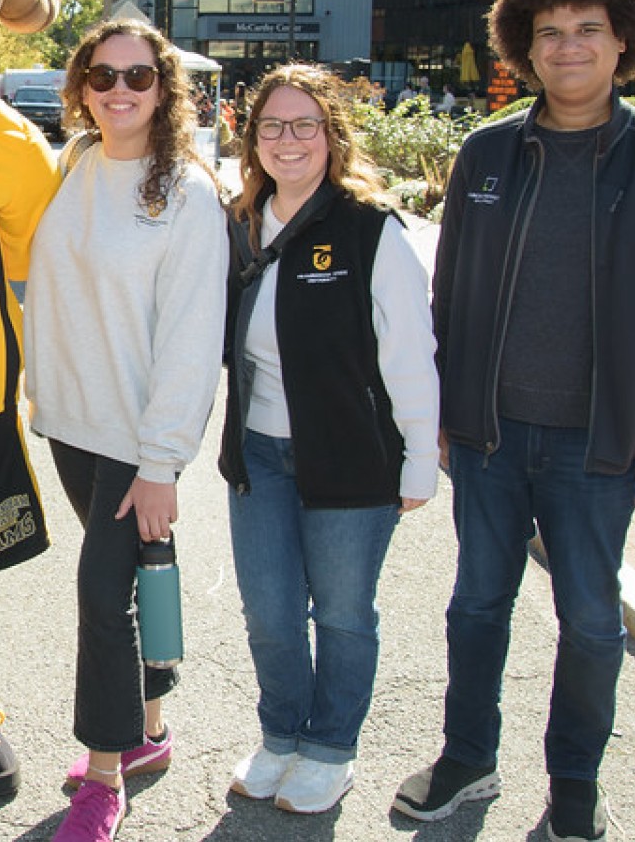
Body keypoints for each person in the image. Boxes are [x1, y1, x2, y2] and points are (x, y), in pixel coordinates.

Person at [393, 0, 635, 842]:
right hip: (491, 439)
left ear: (624, 42)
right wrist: (443, 415)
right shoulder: (488, 152)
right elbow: (451, 295)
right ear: (524, 46)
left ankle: (575, 783)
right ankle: (468, 758)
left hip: (600, 446)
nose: (568, 46)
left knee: (590, 620)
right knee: (476, 606)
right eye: (549, 32)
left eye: (588, 29)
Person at [23, 19, 227, 841]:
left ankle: (104, 777)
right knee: (141, 579)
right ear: (82, 85)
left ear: (164, 88)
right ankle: (147, 731)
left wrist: (161, 464)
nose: (119, 90)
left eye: (138, 76)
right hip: (71, 422)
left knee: (103, 598)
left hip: (135, 439)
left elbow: (191, 339)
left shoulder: (187, 193)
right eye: (103, 75)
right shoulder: (74, 160)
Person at [220, 63, 440, 817]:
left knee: (342, 615)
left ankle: (330, 750)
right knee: (270, 613)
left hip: (351, 459)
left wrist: (419, 459)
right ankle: (281, 736)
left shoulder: (372, 231)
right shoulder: (240, 224)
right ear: (253, 139)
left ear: (332, 136)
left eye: (305, 125)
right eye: (272, 126)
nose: (288, 140)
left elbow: (410, 355)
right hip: (259, 456)